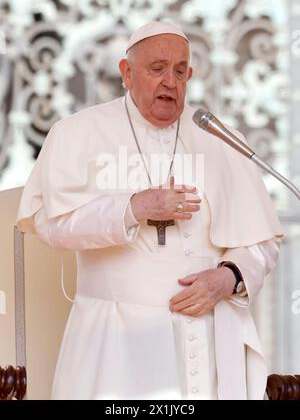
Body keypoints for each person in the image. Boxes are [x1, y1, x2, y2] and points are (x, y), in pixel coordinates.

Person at [17, 20, 283, 400]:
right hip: (114, 342)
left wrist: (231, 277)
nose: (170, 82)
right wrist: (131, 208)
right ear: (127, 72)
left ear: (189, 75)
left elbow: (261, 241)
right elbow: (50, 223)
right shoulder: (78, 132)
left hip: (209, 337)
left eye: (179, 71)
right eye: (157, 69)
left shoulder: (220, 138)